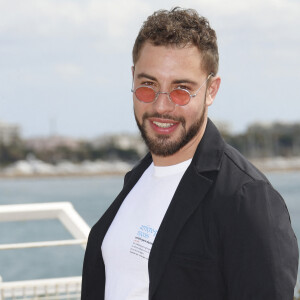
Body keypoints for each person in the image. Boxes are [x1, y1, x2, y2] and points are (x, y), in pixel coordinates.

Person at [81, 7, 298, 300]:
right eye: (148, 85)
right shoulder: (139, 179)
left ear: (211, 90)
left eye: (181, 90)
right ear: (132, 79)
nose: (161, 106)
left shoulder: (247, 198)